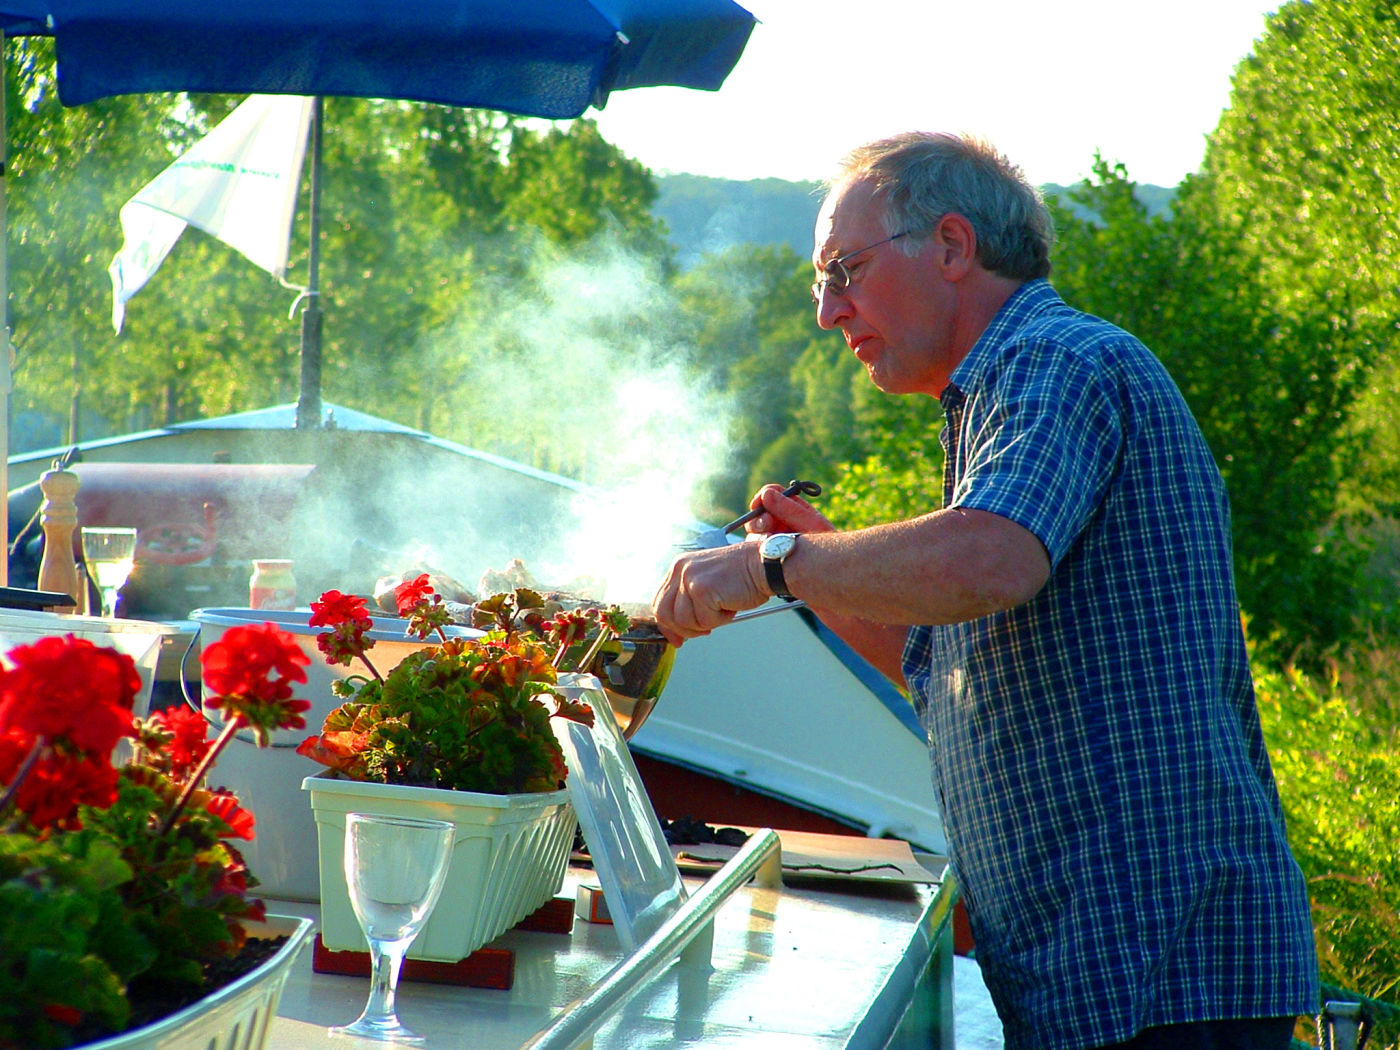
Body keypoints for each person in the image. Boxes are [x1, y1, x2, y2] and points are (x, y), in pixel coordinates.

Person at [650, 132, 1318, 1050]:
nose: (828, 311)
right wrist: (811, 568)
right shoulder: (1002, 392)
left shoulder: (1057, 360)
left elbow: (991, 562)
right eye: (819, 285)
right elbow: (944, 666)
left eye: (843, 271)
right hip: (1112, 970)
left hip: (1160, 969)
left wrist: (770, 565)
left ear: (953, 246)